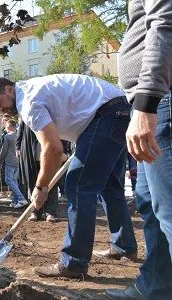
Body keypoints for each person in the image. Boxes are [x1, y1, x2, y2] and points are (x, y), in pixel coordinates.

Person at [0, 74, 137, 278]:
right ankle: (123, 245)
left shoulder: (29, 101)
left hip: (107, 114)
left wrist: (41, 187)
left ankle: (73, 263)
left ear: (9, 90)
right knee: (109, 186)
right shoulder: (31, 90)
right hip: (119, 110)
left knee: (78, 186)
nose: (0, 109)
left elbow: (53, 149)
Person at [105, 2, 172, 299]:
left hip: (159, 102)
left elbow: (165, 22)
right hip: (148, 104)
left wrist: (147, 102)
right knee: (149, 203)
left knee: (169, 209)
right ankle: (156, 286)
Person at [0, 119, 28, 209]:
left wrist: (0, 161)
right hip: (19, 161)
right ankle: (15, 200)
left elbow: (4, 150)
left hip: (10, 161)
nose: (6, 129)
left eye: (7, 127)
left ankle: (21, 198)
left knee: (8, 180)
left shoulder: (8, 136)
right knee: (15, 181)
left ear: (11, 127)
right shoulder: (21, 136)